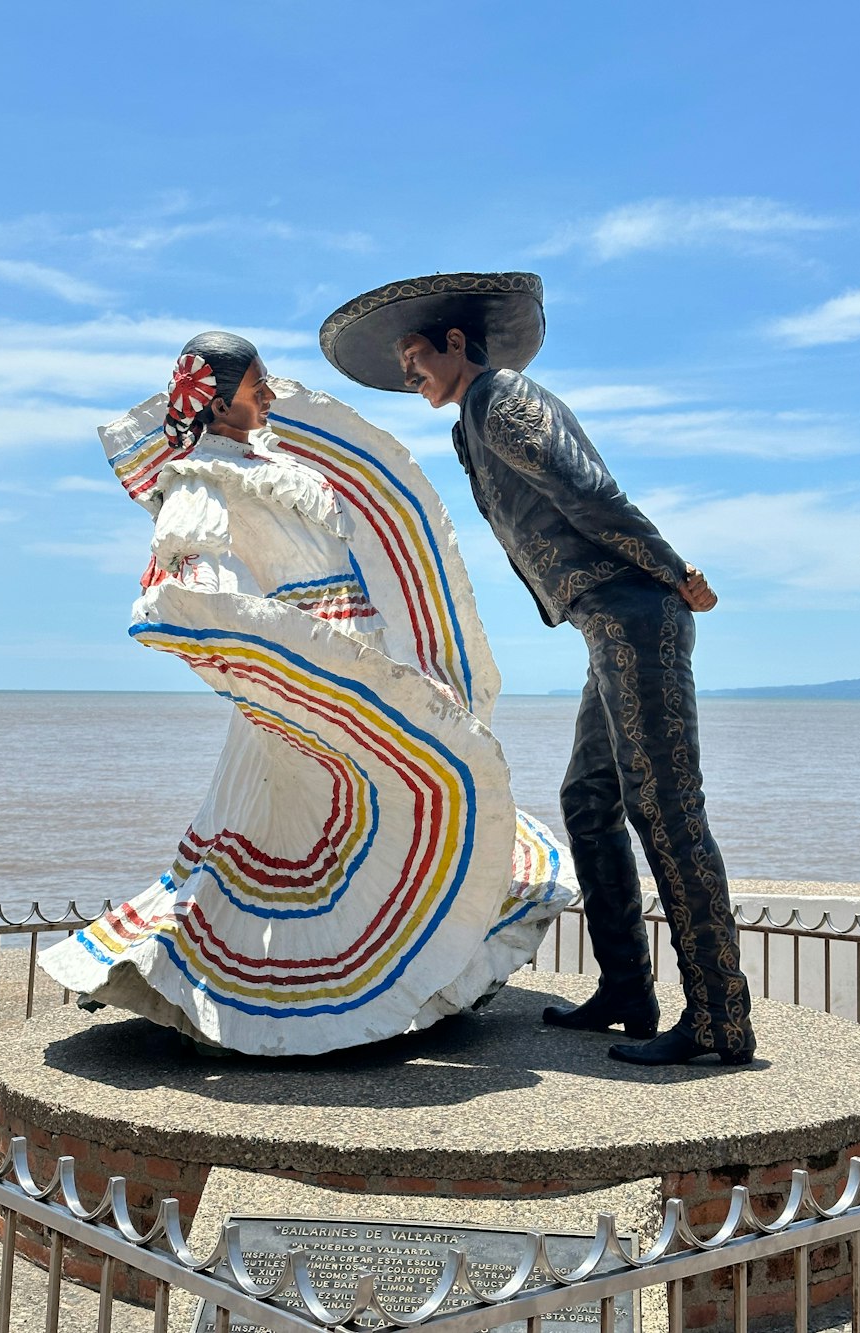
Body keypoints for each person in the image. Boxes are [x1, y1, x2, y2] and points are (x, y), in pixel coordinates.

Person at [38, 329, 575, 1056]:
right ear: (221, 398)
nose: (269, 390)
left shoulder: (275, 460)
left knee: (411, 813)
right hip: (304, 682)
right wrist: (260, 638)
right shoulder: (198, 478)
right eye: (257, 381)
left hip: (362, 672)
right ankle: (273, 1010)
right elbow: (196, 577)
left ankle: (418, 985)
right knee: (305, 837)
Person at [319, 273, 756, 1067]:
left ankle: (721, 1018)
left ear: (458, 343)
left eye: (415, 357)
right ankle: (628, 990)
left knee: (666, 810)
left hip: (636, 614)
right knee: (588, 798)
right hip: (607, 624)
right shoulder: (469, 424)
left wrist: (673, 568)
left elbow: (591, 496)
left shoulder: (502, 400)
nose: (409, 374)